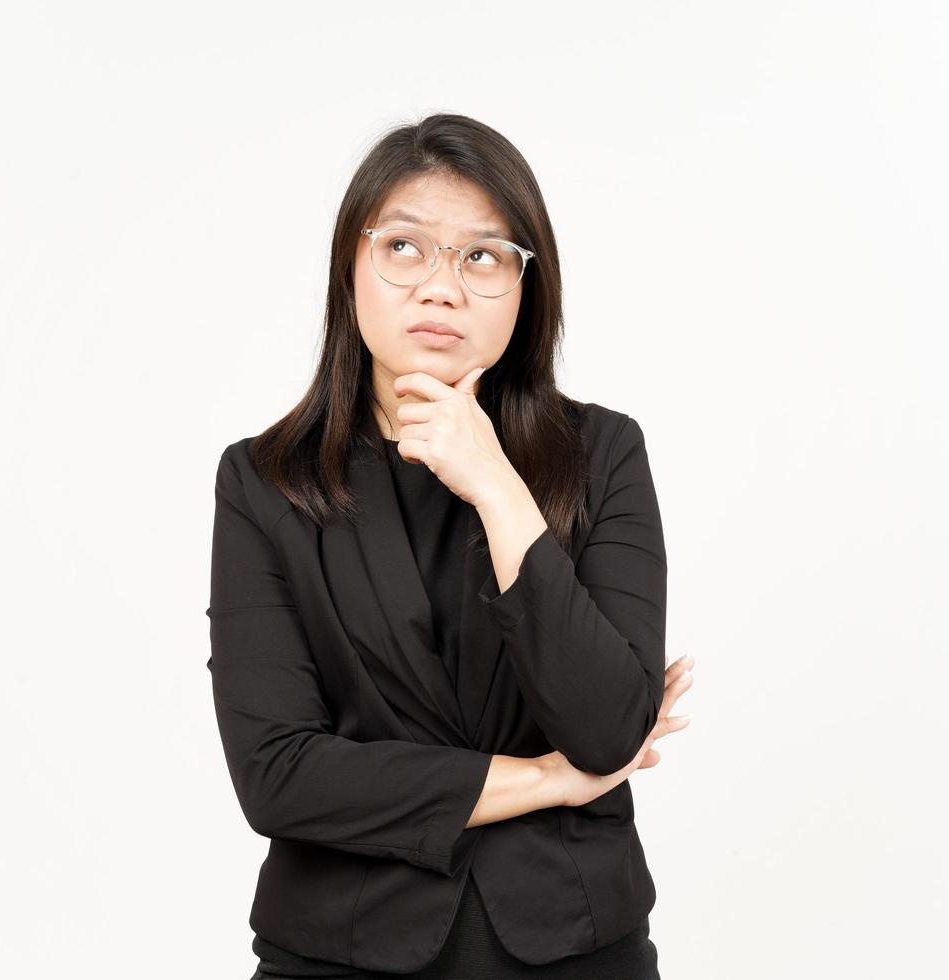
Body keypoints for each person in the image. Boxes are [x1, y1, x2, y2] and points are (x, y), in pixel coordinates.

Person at [207, 113, 695, 980]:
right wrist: (546, 781)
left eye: (483, 256)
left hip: (580, 952)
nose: (441, 287)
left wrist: (497, 487)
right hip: (341, 954)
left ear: (526, 286)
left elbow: (610, 727)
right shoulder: (265, 481)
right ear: (349, 270)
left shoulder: (605, 454)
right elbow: (279, 775)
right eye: (405, 247)